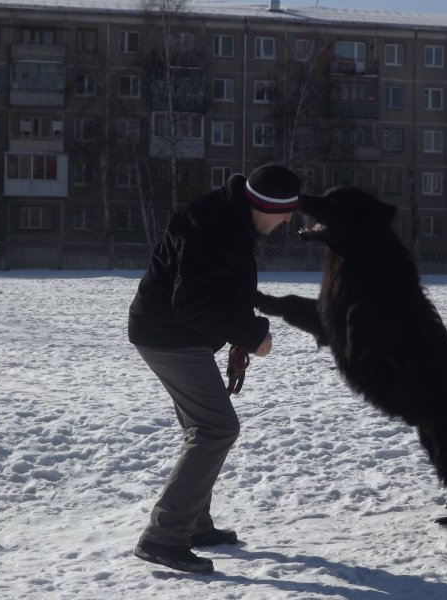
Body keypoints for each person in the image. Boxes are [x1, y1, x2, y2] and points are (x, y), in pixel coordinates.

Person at [127, 164, 301, 574]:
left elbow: (224, 286)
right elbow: (190, 302)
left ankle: (193, 524)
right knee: (215, 428)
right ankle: (164, 536)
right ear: (265, 205)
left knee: (202, 429)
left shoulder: (233, 220)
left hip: (176, 333)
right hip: (168, 335)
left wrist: (246, 329)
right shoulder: (215, 226)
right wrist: (251, 333)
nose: (290, 219)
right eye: (287, 211)